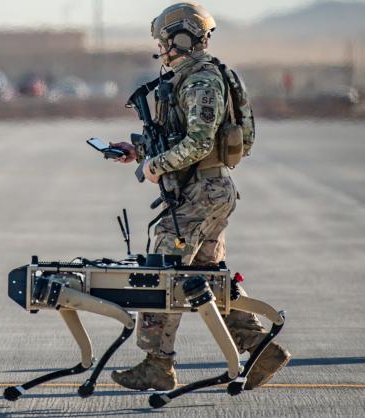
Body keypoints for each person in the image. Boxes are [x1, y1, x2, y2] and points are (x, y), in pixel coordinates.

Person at [109, 2, 290, 391]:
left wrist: (155, 166)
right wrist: (139, 152)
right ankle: (261, 350)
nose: (161, 49)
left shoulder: (201, 81)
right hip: (204, 190)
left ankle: (158, 364)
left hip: (202, 192)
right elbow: (185, 142)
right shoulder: (190, 78)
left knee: (162, 273)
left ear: (183, 38)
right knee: (206, 279)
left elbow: (198, 142)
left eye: (164, 41)